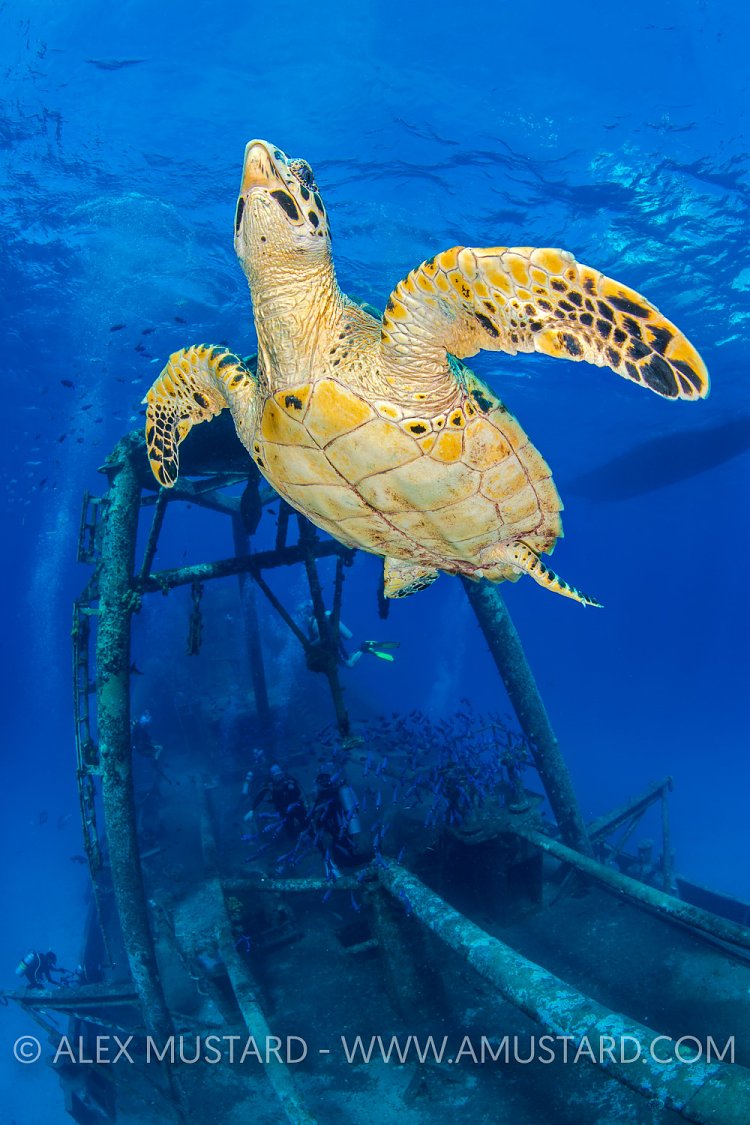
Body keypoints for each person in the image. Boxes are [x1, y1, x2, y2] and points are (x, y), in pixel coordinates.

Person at [308, 771, 367, 872]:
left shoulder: (325, 795)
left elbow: (321, 813)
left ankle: (353, 864)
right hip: (342, 824)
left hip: (336, 826)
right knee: (345, 845)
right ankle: (353, 862)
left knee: (341, 847)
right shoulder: (335, 791)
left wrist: (317, 822)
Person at [305, 606, 399, 669]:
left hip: (334, 644)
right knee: (346, 658)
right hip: (334, 643)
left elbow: (322, 638)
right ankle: (363, 648)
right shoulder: (319, 619)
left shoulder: (314, 623)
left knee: (349, 664)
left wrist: (310, 646)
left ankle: (364, 647)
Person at [244, 765, 307, 839]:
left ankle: (313, 839)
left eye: (280, 774)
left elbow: (298, 793)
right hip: (283, 809)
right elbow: (260, 796)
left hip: (296, 806)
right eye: (276, 775)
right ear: (272, 776)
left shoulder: (289, 780)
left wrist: (293, 788)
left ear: (283, 773)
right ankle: (294, 842)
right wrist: (252, 809)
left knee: (305, 822)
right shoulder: (270, 784)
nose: (279, 777)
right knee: (289, 829)